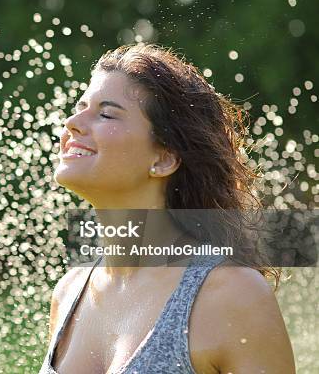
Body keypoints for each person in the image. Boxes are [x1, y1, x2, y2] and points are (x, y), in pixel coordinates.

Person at [39, 44, 296, 373]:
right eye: (80, 107)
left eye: (106, 114)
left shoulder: (231, 295)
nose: (72, 123)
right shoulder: (69, 291)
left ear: (163, 159)